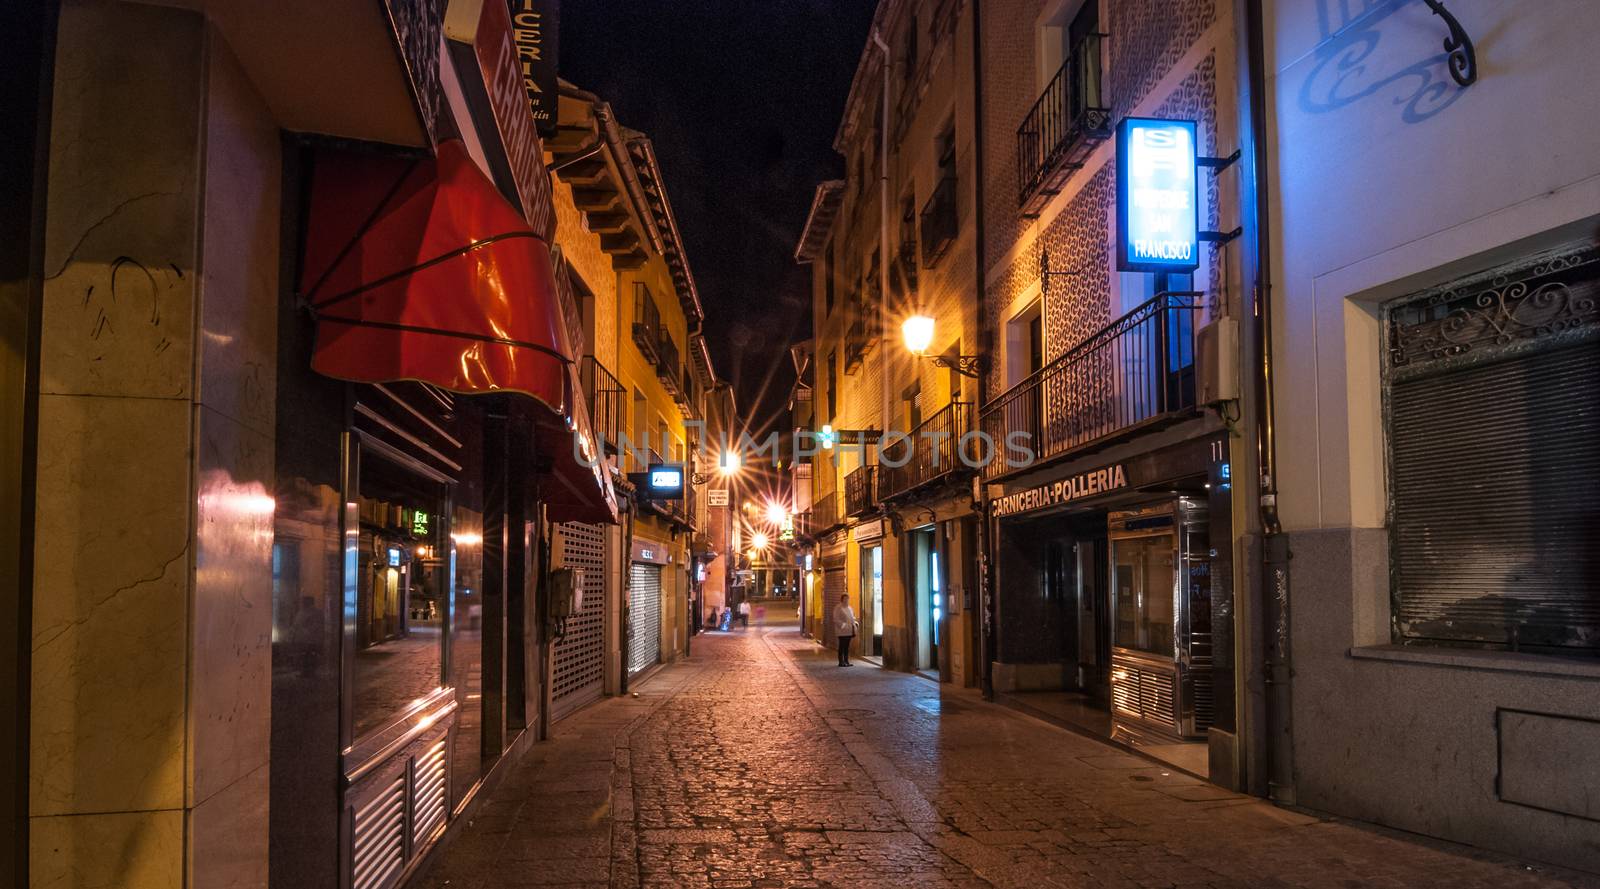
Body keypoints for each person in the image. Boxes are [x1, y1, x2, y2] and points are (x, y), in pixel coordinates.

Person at [833, 592, 857, 666]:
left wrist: (854, 624)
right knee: (842, 646)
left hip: (849, 630)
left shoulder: (850, 608)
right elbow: (836, 619)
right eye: (845, 598)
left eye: (847, 599)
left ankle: (846, 661)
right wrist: (844, 625)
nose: (846, 600)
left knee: (847, 646)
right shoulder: (838, 608)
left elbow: (852, 617)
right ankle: (841, 662)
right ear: (842, 599)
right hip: (842, 631)